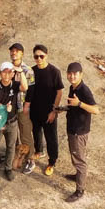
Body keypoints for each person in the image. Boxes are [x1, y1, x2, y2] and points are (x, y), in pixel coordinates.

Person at [23, 44, 66, 176]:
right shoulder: (32, 71)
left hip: (49, 111)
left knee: (51, 137)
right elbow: (29, 90)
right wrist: (27, 106)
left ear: (46, 56)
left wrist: (54, 111)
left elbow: (59, 92)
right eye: (36, 56)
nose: (39, 59)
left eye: (41, 56)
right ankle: (39, 151)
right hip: (35, 110)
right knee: (36, 133)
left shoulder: (54, 72)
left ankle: (52, 162)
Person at [63, 61, 97, 203]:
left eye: (75, 74)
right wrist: (64, 108)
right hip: (73, 129)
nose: (72, 76)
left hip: (79, 131)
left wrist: (79, 104)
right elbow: (74, 106)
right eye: (70, 73)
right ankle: (78, 175)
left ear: (81, 74)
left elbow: (96, 110)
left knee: (79, 160)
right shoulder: (73, 87)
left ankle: (79, 190)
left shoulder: (84, 90)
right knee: (76, 155)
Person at [8, 42, 36, 173]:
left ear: (22, 54)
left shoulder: (28, 70)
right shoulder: (8, 69)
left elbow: (31, 89)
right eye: (12, 51)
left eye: (17, 51)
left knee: (25, 133)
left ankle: (30, 160)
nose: (14, 53)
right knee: (14, 134)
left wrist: (27, 105)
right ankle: (16, 156)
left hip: (23, 106)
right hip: (11, 107)